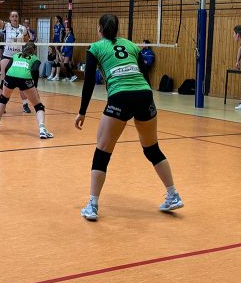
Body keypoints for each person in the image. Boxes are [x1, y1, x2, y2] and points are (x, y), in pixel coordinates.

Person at [75, 13, 182, 221]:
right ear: (117, 29)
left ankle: (92, 205)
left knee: (102, 151)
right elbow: (144, 74)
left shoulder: (95, 48)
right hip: (144, 95)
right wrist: (146, 99)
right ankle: (173, 194)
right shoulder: (132, 46)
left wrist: (82, 112)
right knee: (152, 148)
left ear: (100, 29)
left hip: (120, 97)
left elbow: (88, 82)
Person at [0, 41, 53, 139]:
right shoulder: (35, 58)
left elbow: (7, 67)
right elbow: (35, 71)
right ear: (34, 50)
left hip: (10, 76)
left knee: (3, 98)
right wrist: (34, 86)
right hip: (25, 78)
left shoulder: (15, 55)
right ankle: (42, 130)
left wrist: (7, 80)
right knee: (38, 105)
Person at [0, 0, 31, 114]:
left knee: (22, 81)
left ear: (18, 18)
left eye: (16, 16)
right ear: (10, 18)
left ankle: (25, 105)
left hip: (19, 58)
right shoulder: (6, 26)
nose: (14, 18)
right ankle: (2, 104)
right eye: (12, 16)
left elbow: (27, 41)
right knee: (4, 80)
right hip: (7, 56)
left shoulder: (23, 28)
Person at [48, 15, 65, 81]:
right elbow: (54, 34)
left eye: (55, 19)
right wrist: (52, 40)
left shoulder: (61, 26)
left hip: (59, 41)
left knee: (57, 54)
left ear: (58, 19)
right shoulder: (55, 26)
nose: (55, 20)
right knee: (55, 58)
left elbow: (61, 34)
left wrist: (60, 41)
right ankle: (54, 75)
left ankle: (55, 75)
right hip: (55, 41)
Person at [60, 18, 78, 82]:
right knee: (66, 64)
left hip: (68, 52)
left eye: (67, 30)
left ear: (70, 31)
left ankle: (73, 76)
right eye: (66, 30)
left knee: (66, 64)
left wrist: (64, 53)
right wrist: (62, 51)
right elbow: (64, 45)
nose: (66, 31)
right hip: (65, 52)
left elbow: (68, 46)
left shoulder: (71, 37)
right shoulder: (67, 37)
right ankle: (68, 77)